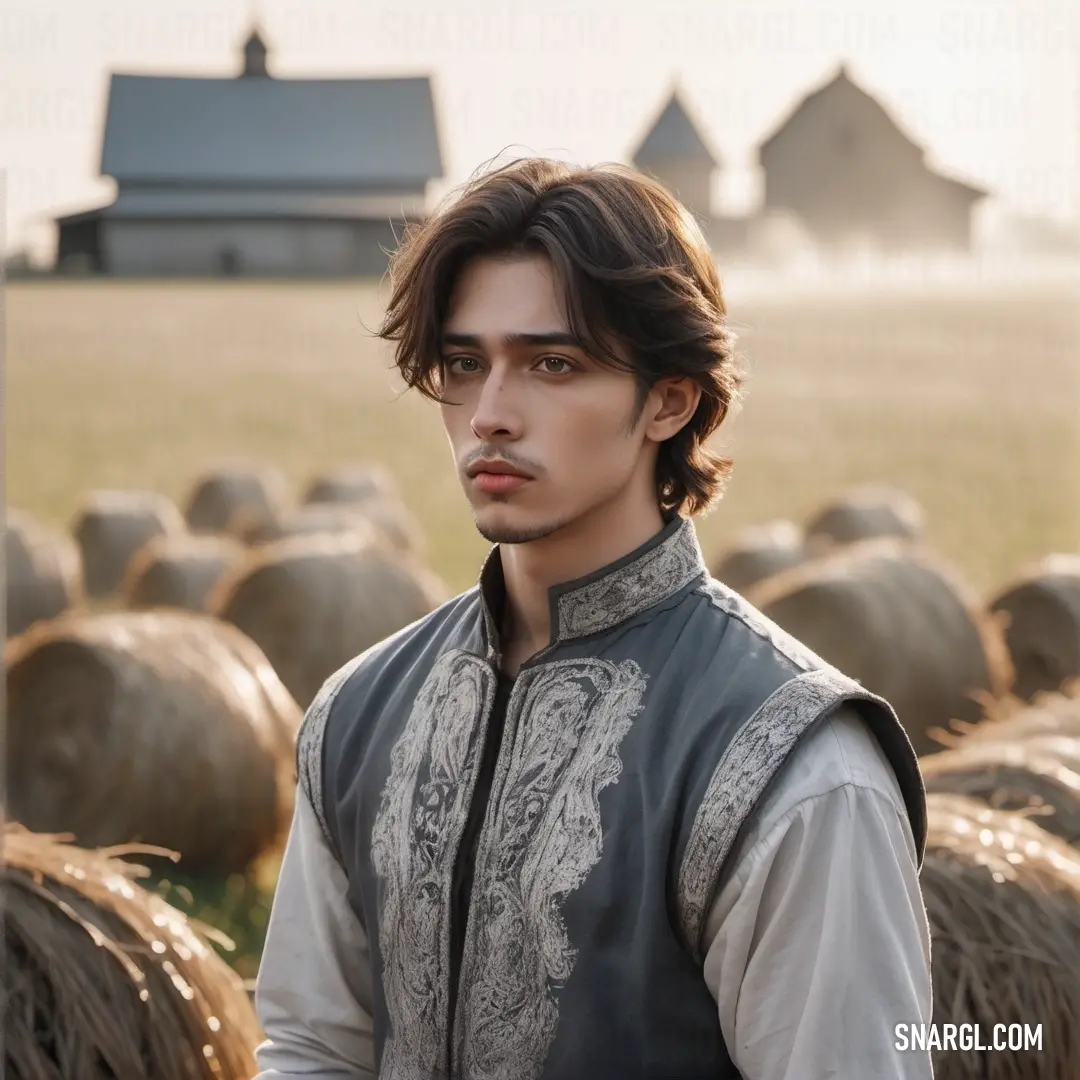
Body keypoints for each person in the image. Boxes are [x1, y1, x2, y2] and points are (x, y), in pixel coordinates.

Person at [252, 157, 934, 1080]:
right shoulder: (358, 715)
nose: (490, 414)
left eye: (552, 363)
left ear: (669, 398)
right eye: (463, 365)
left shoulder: (799, 768)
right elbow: (309, 1050)